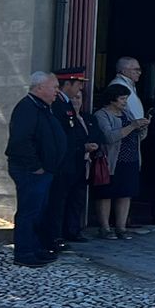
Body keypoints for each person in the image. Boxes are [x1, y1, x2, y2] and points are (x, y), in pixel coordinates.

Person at [6, 71, 69, 266]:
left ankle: (35, 248)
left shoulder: (42, 107)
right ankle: (24, 253)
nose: (57, 92)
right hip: (30, 171)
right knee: (29, 212)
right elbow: (21, 141)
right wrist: (36, 167)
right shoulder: (27, 108)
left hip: (44, 171)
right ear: (40, 87)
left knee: (38, 212)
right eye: (54, 87)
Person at [90, 81, 148, 241]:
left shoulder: (127, 113)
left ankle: (121, 227)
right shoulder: (102, 115)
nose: (125, 102)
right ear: (112, 99)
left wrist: (142, 128)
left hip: (130, 158)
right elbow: (108, 137)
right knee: (106, 194)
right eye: (122, 99)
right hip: (112, 160)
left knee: (125, 193)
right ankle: (105, 228)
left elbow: (138, 135)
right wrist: (132, 126)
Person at [48, 72, 98, 251]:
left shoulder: (66, 104)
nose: (81, 89)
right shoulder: (58, 105)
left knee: (71, 199)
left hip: (74, 161)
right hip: (63, 162)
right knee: (58, 202)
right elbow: (63, 135)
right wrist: (80, 147)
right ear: (67, 84)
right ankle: (54, 237)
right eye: (78, 84)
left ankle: (67, 232)